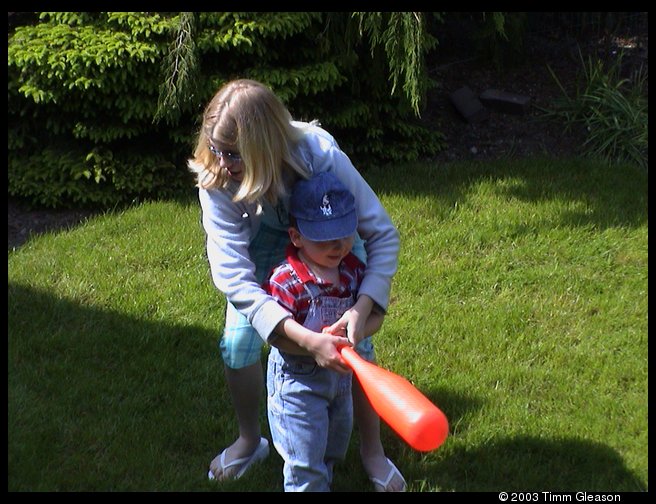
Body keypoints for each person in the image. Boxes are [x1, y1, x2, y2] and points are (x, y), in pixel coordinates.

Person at [188, 78, 406, 492]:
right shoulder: (217, 177)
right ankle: (251, 441)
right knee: (238, 345)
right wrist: (303, 338)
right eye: (215, 148)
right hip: (263, 248)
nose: (222, 161)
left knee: (357, 345)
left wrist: (362, 308)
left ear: (265, 144)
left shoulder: (318, 154)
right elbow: (233, 275)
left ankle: (373, 452)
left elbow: (381, 233)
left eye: (233, 153)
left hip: (330, 237)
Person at [264, 172, 385, 491]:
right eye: (323, 237)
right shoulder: (285, 281)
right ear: (296, 236)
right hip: (298, 383)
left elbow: (375, 318)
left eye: (344, 234)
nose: (337, 245)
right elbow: (275, 335)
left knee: (332, 448)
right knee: (305, 460)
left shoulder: (352, 270)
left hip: (340, 382)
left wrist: (355, 335)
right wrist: (314, 345)